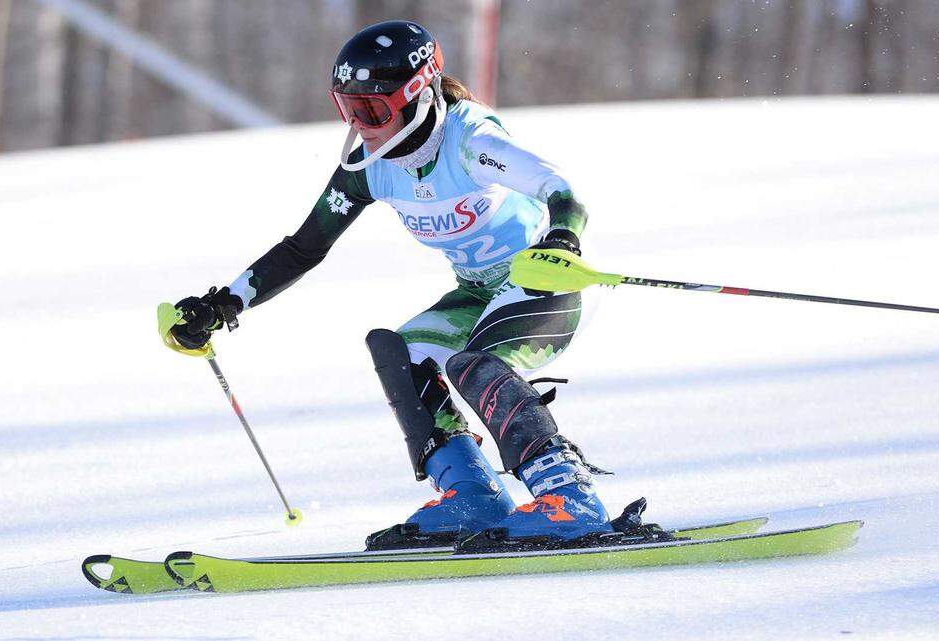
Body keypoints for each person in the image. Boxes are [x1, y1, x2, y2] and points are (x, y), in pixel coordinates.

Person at [166, 20, 614, 549]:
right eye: (348, 108)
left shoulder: (470, 140)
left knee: (476, 365)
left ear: (420, 92)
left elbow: (562, 188)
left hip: (541, 288)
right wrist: (225, 302)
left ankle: (570, 496)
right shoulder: (369, 167)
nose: (362, 125)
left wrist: (563, 238)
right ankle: (472, 494)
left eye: (373, 109)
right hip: (478, 295)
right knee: (401, 351)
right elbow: (305, 246)